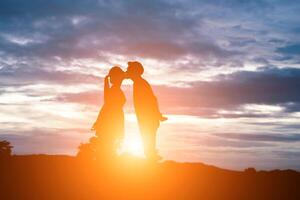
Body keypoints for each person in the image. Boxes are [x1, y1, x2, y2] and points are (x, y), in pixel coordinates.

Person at [126, 61, 167, 161]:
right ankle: (151, 158)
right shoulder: (138, 82)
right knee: (147, 139)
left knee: (148, 139)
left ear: (135, 71)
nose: (127, 71)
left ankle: (151, 160)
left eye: (129, 70)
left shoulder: (141, 83)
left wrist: (157, 114)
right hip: (145, 117)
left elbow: (153, 99)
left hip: (148, 117)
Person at [91, 66, 126, 156]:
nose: (122, 79)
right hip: (112, 121)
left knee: (109, 147)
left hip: (114, 120)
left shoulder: (115, 89)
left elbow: (106, 104)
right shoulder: (114, 90)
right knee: (108, 147)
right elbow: (106, 104)